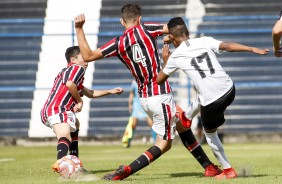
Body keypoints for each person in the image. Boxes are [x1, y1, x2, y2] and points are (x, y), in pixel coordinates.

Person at [75, 4, 222, 180]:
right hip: (160, 95)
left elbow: (88, 55)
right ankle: (126, 171)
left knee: (182, 125)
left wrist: (79, 28)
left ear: (122, 21)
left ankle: (209, 167)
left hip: (144, 98)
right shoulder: (147, 29)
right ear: (139, 19)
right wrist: (171, 38)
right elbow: (175, 28)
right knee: (164, 144)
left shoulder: (118, 43)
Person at [156, 17, 269, 179]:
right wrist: (252, 49)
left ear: (172, 37)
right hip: (229, 89)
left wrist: (166, 59)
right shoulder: (204, 40)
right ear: (187, 31)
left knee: (210, 134)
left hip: (212, 101)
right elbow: (228, 46)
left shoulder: (176, 56)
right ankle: (187, 117)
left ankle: (228, 171)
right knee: (202, 90)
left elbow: (160, 80)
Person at [40, 46, 123, 173]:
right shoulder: (77, 68)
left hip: (52, 109)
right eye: (83, 56)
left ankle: (74, 163)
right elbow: (70, 84)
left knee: (75, 125)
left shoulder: (69, 71)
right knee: (65, 136)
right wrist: (79, 100)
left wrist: (110, 91)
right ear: (73, 59)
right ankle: (63, 168)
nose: (87, 58)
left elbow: (90, 93)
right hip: (58, 108)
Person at [122, 80, 156, 148]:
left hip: (146, 104)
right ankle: (127, 141)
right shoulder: (134, 82)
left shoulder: (147, 80)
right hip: (137, 105)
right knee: (133, 124)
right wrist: (130, 104)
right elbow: (132, 94)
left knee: (151, 124)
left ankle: (156, 142)